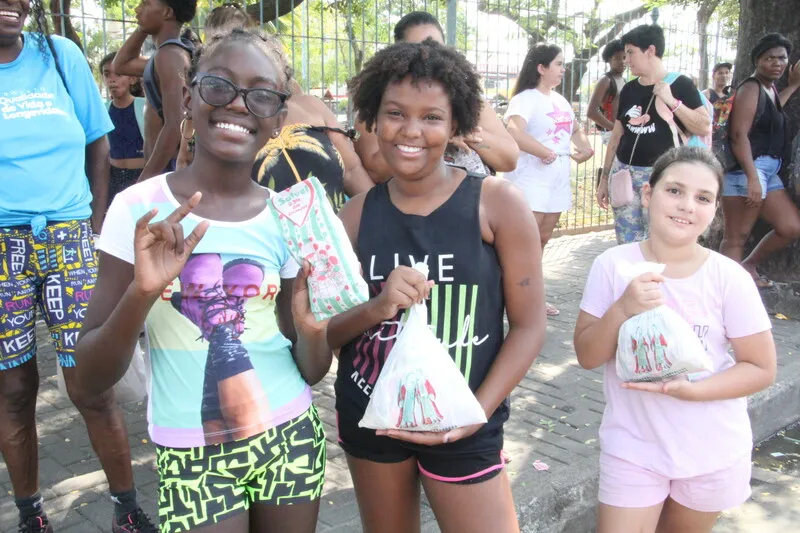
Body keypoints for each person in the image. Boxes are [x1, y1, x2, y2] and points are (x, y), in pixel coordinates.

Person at [75, 28, 331, 533]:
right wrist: (142, 293)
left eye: (261, 95)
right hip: (193, 452)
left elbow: (312, 368)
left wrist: (311, 322)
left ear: (278, 118)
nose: (238, 104)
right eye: (219, 85)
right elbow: (90, 377)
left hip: (291, 437)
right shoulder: (138, 210)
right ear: (188, 97)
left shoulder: (287, 215)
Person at [328, 40, 546, 533]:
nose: (410, 131)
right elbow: (326, 334)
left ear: (455, 127)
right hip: (372, 416)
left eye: (431, 117)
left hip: (466, 419)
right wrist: (378, 306)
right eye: (394, 113)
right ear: (372, 119)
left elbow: (530, 327)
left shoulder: (497, 205)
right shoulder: (356, 217)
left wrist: (477, 413)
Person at [0, 1, 156, 532]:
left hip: (68, 238)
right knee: (15, 390)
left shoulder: (59, 55)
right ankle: (30, 515)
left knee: (89, 383)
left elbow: (98, 143)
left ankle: (126, 510)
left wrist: (92, 224)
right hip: (2, 248)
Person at [574, 146, 777, 533]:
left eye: (702, 198)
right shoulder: (612, 266)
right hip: (632, 447)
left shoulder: (728, 277)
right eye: (674, 191)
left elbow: (761, 368)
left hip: (711, 450)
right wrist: (622, 308)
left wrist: (690, 391)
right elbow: (587, 354)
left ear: (714, 209)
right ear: (648, 194)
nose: (686, 206)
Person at [174, 3, 374, 209]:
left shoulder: (311, 106)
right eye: (219, 45)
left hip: (335, 235)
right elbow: (186, 171)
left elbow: (352, 171)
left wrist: (386, 219)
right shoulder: (208, 124)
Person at [354, 11, 519, 182]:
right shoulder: (378, 103)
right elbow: (375, 171)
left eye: (435, 47)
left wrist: (463, 133)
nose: (427, 56)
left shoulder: (467, 101)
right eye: (417, 48)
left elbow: (509, 159)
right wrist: (427, 140)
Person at [596, 24, 712, 244]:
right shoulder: (629, 89)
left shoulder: (680, 84)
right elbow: (617, 136)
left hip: (662, 178)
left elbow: (704, 125)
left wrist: (672, 101)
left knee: (660, 241)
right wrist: (604, 179)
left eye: (631, 52)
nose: (626, 59)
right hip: (625, 175)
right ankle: (632, 279)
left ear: (650, 50)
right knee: (627, 241)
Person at [504, 43, 595, 317]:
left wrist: (586, 147)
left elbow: (575, 129)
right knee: (523, 243)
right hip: (530, 180)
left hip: (556, 181)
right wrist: (542, 151)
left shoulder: (560, 100)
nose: (563, 69)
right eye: (557, 63)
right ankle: (511, 298)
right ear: (541, 68)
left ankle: (532, 297)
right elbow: (513, 131)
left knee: (542, 240)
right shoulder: (526, 98)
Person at [720, 33, 800, 288]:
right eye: (770, 58)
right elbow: (738, 135)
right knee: (736, 237)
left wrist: (793, 86)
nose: (777, 63)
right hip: (747, 171)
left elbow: (772, 111)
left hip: (767, 170)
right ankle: (723, 290)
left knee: (790, 227)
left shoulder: (769, 89)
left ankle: (748, 266)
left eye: (782, 58)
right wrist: (752, 178)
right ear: (757, 61)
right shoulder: (751, 87)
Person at [114, 0, 197, 180]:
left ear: (167, 12)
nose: (137, 10)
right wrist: (142, 27)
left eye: (145, 3)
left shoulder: (169, 56)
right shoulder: (166, 55)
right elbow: (120, 65)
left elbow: (176, 124)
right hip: (164, 168)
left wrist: (145, 181)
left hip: (169, 170)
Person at [100, 51, 147, 205]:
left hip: (141, 177)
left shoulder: (144, 107)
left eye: (118, 74)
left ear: (132, 79)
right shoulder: (103, 110)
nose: (112, 80)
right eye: (107, 75)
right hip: (114, 180)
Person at [587, 39, 626, 141]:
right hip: (611, 132)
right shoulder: (606, 80)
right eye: (617, 58)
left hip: (621, 131)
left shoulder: (623, 80)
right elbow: (591, 112)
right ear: (609, 59)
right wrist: (615, 129)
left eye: (624, 57)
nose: (622, 61)